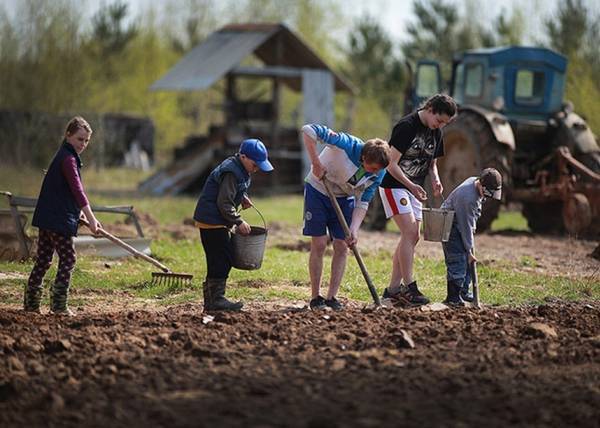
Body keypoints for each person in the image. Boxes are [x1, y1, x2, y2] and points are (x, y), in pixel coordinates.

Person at [379, 94, 457, 306]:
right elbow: (391, 164)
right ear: (430, 108)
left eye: (444, 123)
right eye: (439, 120)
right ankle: (409, 286)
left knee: (412, 238)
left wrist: (435, 179)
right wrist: (411, 185)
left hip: (415, 189)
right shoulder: (406, 126)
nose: (439, 126)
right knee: (410, 232)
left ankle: (393, 289)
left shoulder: (436, 132)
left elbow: (431, 163)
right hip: (394, 186)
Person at [302, 123, 390, 311]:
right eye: (371, 168)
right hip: (317, 189)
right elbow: (308, 130)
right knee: (319, 243)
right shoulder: (346, 144)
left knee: (342, 245)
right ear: (364, 157)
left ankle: (332, 297)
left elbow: (363, 202)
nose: (373, 173)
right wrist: (316, 162)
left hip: (343, 198)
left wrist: (354, 229)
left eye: (377, 170)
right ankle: (315, 297)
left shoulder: (379, 173)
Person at [24, 116, 101, 316]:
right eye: (79, 139)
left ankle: (31, 304)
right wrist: (92, 218)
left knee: (43, 259)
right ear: (68, 135)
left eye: (86, 140)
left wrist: (77, 216)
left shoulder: (64, 156)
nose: (83, 144)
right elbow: (77, 191)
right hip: (57, 220)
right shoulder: (67, 159)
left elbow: (63, 194)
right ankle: (58, 306)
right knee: (68, 259)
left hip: (48, 217)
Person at [193, 138, 273, 311]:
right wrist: (238, 220)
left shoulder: (240, 168)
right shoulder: (231, 171)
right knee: (221, 260)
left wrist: (242, 197)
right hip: (212, 221)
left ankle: (212, 300)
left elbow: (231, 190)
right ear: (243, 157)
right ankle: (216, 300)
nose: (257, 168)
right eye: (255, 164)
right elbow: (224, 203)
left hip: (217, 221)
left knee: (220, 259)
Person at [441, 168, 502, 306]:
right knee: (458, 260)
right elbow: (465, 226)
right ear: (481, 184)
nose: (486, 197)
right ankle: (453, 298)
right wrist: (469, 250)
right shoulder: (468, 199)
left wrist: (469, 251)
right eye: (486, 193)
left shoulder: (476, 183)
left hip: (460, 223)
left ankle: (463, 292)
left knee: (468, 262)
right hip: (449, 226)